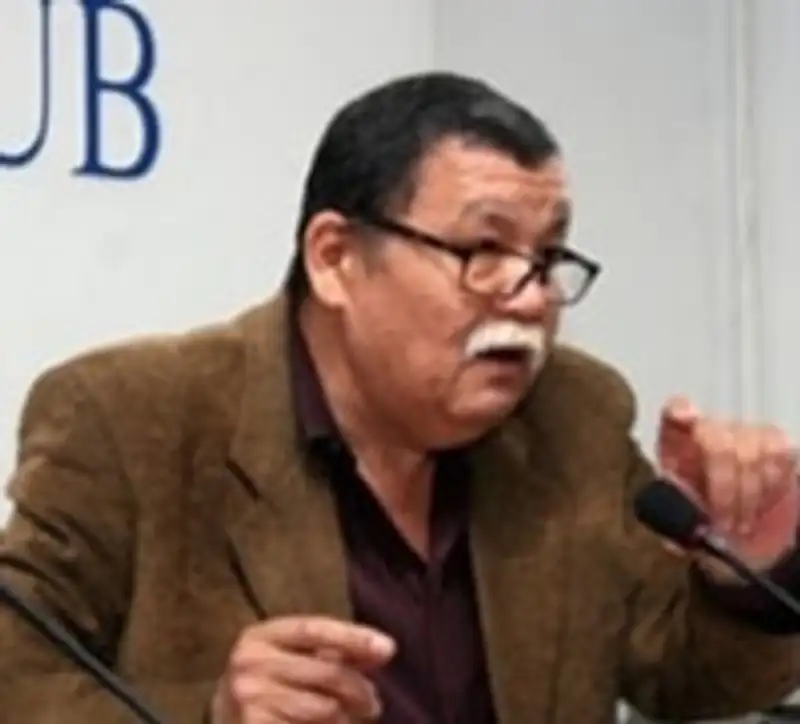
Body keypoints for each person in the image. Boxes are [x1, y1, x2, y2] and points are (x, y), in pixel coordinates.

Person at [0, 71, 798, 724]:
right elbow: (13, 681)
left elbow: (682, 674)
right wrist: (208, 715)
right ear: (335, 258)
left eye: (548, 256)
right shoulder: (131, 419)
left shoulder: (571, 415)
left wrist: (750, 565)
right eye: (483, 249)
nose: (530, 297)